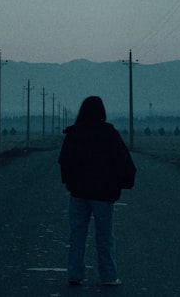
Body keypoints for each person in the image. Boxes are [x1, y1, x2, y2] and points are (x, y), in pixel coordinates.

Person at [57, 95, 136, 287]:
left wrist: (70, 183)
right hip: (103, 193)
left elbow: (64, 161)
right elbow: (122, 162)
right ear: (102, 112)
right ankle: (108, 276)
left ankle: (74, 274)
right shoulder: (109, 133)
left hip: (78, 193)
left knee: (77, 234)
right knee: (105, 236)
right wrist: (119, 184)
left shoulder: (74, 133)